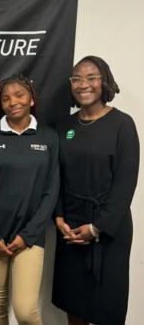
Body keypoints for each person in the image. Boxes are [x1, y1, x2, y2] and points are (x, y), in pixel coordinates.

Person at [52, 56, 140, 325]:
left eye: (91, 78)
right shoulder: (64, 127)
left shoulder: (122, 124)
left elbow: (126, 183)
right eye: (77, 79)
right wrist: (59, 218)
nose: (83, 84)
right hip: (71, 227)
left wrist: (97, 227)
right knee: (73, 301)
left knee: (107, 304)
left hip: (109, 228)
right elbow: (56, 177)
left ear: (104, 82)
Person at [0, 74, 60, 325]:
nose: (13, 102)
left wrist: (29, 234)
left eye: (19, 95)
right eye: (5, 99)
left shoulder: (49, 137)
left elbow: (51, 190)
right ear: (0, 105)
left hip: (30, 237)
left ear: (32, 100)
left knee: (25, 310)